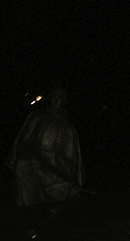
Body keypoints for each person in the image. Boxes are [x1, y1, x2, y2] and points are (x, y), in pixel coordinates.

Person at [6, 86, 84, 219]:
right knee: (24, 169)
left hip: (56, 167)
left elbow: (71, 156)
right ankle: (32, 212)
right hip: (33, 162)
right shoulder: (36, 117)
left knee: (60, 185)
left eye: (59, 98)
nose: (55, 101)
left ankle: (54, 210)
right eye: (53, 97)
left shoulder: (67, 128)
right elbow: (25, 140)